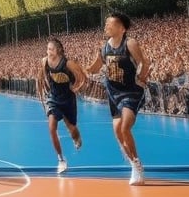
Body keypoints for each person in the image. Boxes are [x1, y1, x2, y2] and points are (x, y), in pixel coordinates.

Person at [85, 11, 149, 186]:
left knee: (125, 127)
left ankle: (137, 165)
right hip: (113, 93)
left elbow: (144, 62)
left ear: (121, 28)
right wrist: (79, 70)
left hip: (130, 91)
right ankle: (133, 162)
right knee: (118, 133)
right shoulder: (104, 47)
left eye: (110, 24)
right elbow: (94, 68)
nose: (106, 26)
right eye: (106, 24)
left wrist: (141, 77)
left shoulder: (130, 43)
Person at [37, 36, 86, 174]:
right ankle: (61, 159)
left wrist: (76, 87)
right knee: (52, 127)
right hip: (53, 97)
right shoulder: (44, 61)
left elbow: (82, 77)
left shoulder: (68, 63)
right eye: (47, 49)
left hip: (68, 98)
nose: (48, 51)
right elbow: (40, 76)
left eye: (51, 49)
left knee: (72, 129)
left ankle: (77, 138)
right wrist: (41, 88)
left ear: (58, 50)